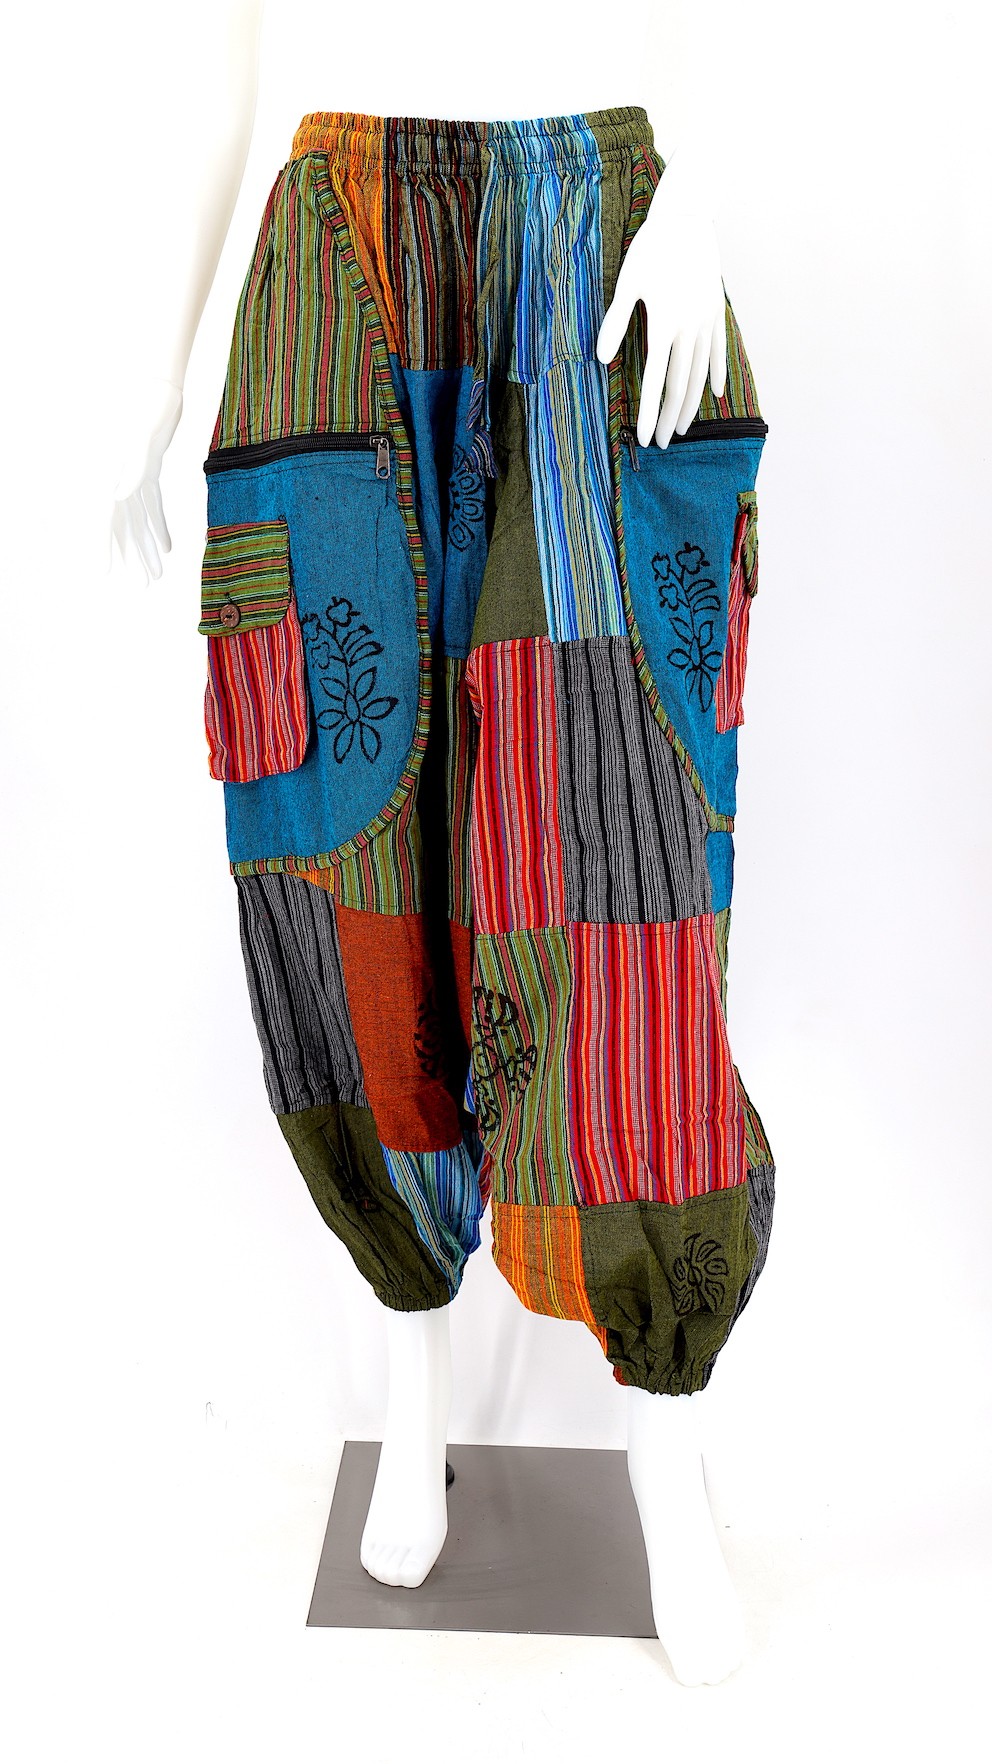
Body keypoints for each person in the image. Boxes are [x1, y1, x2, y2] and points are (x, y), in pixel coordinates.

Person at [108, 0, 775, 1687]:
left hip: (596, 243)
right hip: (335, 265)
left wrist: (701, 192)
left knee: (616, 867)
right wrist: (164, 380)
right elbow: (221, 64)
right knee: (356, 863)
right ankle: (406, 1388)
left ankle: (667, 1447)